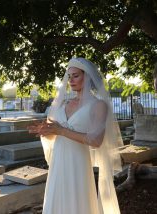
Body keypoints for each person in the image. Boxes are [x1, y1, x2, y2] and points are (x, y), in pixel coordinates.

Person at [28, 57, 123, 214]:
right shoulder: (62, 104)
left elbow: (96, 140)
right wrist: (45, 131)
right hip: (58, 164)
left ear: (87, 77)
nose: (71, 80)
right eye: (69, 76)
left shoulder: (98, 105)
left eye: (76, 75)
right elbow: (54, 133)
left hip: (78, 162)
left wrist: (61, 130)